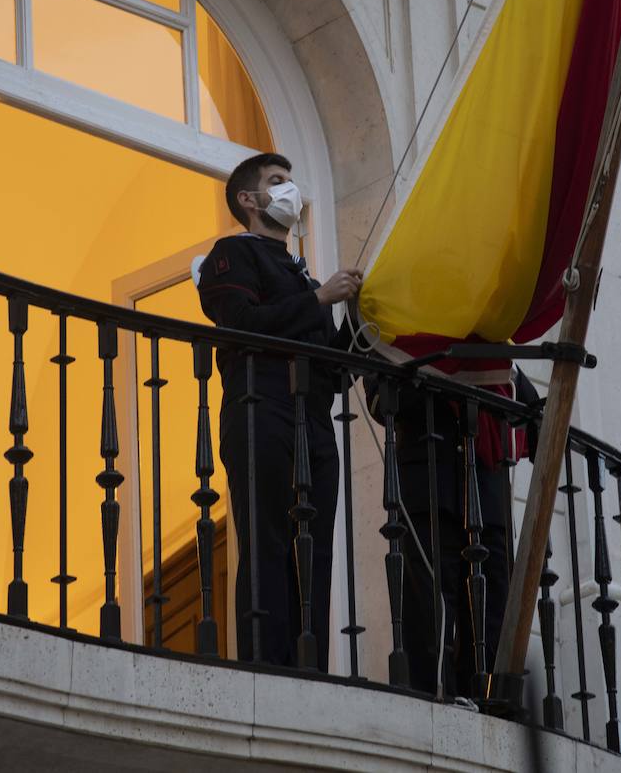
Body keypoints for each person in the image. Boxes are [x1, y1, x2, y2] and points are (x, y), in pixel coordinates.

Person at [195, 152, 362, 670]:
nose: (288, 190)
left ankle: (311, 663)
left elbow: (333, 373)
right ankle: (270, 663)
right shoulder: (232, 254)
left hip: (311, 419)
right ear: (249, 199)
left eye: (290, 181)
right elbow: (241, 321)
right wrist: (319, 302)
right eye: (276, 182)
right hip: (260, 409)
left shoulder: (306, 280)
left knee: (315, 544)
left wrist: (358, 318)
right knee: (267, 538)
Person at [368, 366, 540, 697]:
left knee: (493, 619)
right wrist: (445, 370)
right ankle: (430, 706)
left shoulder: (494, 350)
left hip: (487, 501)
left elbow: (535, 420)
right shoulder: (396, 329)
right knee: (429, 618)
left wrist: (496, 368)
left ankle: (491, 704)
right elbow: (380, 399)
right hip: (430, 491)